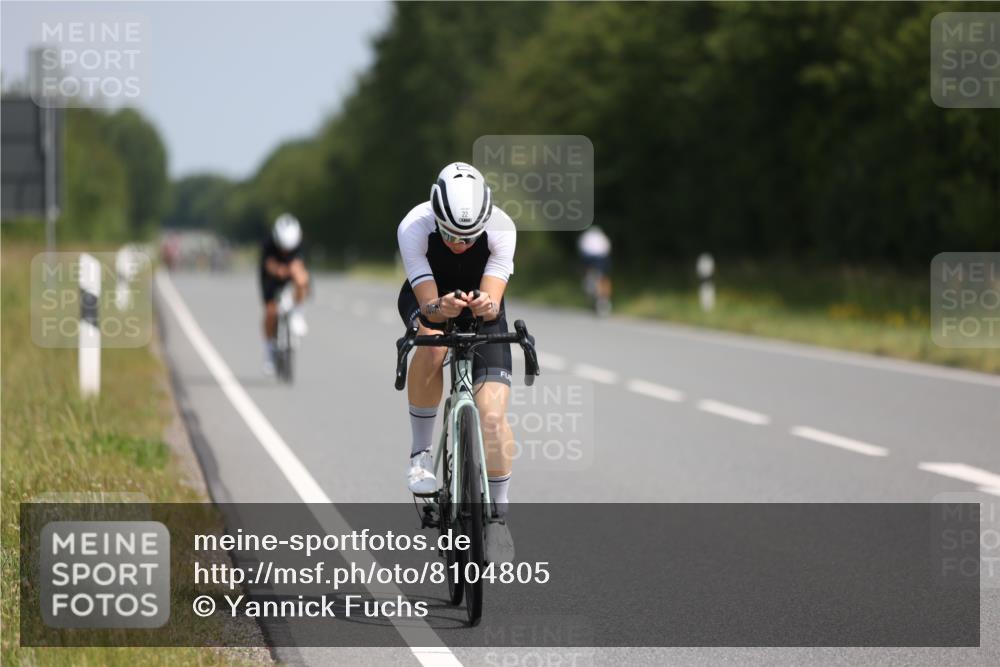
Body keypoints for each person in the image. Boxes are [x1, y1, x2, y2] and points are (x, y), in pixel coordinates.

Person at [396, 161, 517, 562]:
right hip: (429, 298)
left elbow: (493, 299)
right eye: (450, 234)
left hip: (481, 307)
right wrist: (438, 306)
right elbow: (429, 305)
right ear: (436, 214)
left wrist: (485, 303)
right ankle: (420, 455)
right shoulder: (414, 226)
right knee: (431, 344)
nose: (460, 245)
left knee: (493, 417)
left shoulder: (502, 227)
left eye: (469, 237)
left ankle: (497, 518)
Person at [260, 213, 309, 374]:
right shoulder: (268, 243)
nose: (286, 251)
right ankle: (269, 352)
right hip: (271, 277)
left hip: (291, 274)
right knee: (270, 311)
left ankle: (298, 315)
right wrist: (278, 270)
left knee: (302, 279)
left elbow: (299, 264)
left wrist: (294, 272)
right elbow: (268, 265)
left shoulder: (299, 243)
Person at [578, 225, 612, 315]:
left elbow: (582, 249)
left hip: (589, 257)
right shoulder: (602, 237)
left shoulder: (586, 236)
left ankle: (590, 284)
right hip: (601, 258)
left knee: (590, 274)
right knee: (604, 277)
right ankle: (603, 297)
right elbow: (607, 248)